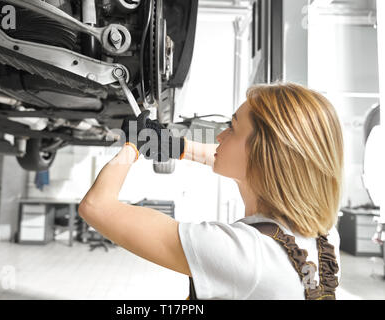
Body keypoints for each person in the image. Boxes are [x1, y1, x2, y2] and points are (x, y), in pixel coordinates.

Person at [78, 81, 344, 300]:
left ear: (263, 155)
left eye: (232, 128)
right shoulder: (322, 234)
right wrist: (173, 145)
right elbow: (233, 159)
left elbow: (97, 207)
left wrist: (131, 147)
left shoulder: (242, 253)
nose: (219, 137)